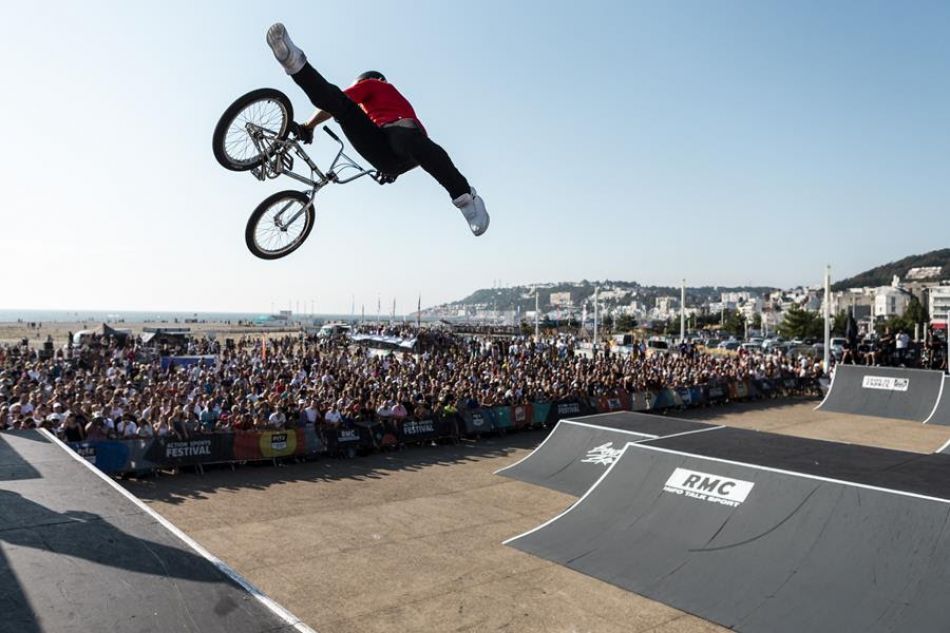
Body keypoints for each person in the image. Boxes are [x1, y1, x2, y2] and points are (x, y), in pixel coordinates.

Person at [265, 23, 489, 236]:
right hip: (391, 153)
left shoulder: (374, 85)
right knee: (385, 138)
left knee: (344, 107)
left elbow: (338, 101)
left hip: (402, 136)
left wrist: (308, 126)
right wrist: (389, 172)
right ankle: (294, 63)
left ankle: (466, 197)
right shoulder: (378, 111)